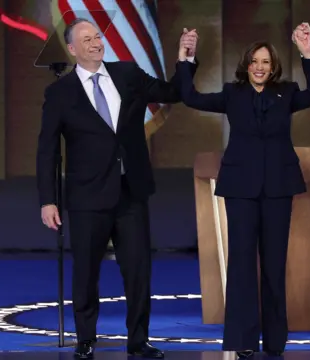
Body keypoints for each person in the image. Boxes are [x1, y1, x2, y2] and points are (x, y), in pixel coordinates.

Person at [37, 18, 198, 359]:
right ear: (72, 49)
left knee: (138, 270)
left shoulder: (128, 74)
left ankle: (138, 340)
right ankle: (86, 339)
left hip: (131, 191)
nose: (96, 42)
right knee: (86, 273)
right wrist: (48, 200)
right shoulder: (59, 93)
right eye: (87, 38)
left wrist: (184, 60)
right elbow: (47, 150)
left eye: (97, 36)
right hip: (86, 196)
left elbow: (171, 94)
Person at [175, 23, 310, 357]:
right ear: (246, 65)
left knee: (274, 263)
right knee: (241, 264)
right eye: (255, 61)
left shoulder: (286, 93)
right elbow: (190, 96)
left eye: (266, 62)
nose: (260, 67)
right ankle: (243, 340)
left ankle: (274, 342)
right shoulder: (233, 94)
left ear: (274, 69)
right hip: (240, 188)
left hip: (278, 188)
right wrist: (186, 59)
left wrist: (308, 52)